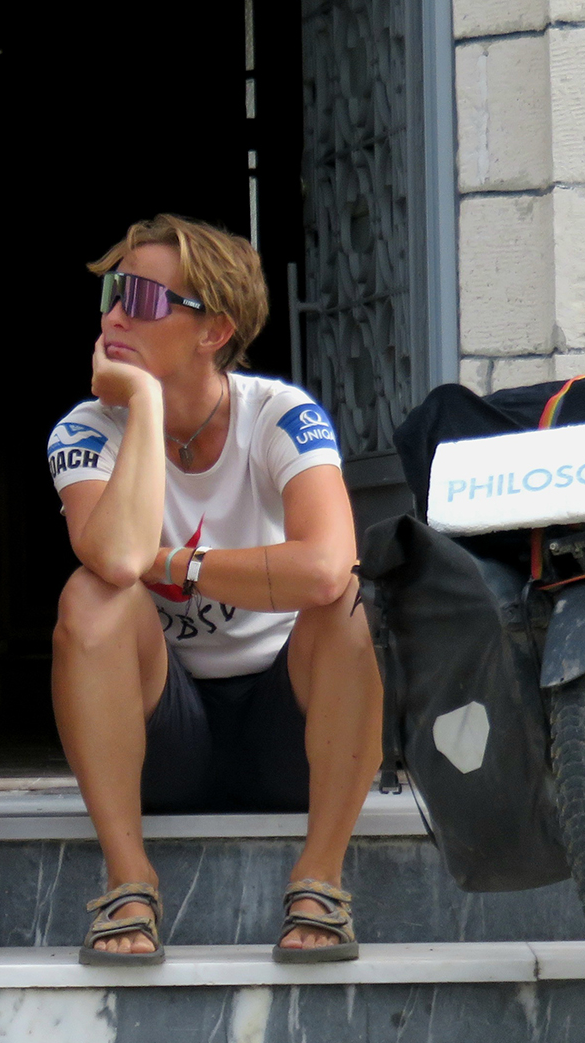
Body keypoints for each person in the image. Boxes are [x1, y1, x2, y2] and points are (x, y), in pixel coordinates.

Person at [48, 215, 382, 966]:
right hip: (166, 730)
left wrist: (179, 567)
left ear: (213, 330)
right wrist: (143, 406)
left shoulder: (279, 416)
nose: (113, 314)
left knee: (350, 603)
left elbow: (327, 565)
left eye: (140, 295)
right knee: (90, 598)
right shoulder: (87, 427)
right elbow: (109, 556)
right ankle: (128, 880)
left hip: (283, 724)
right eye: (111, 292)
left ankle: (321, 878)